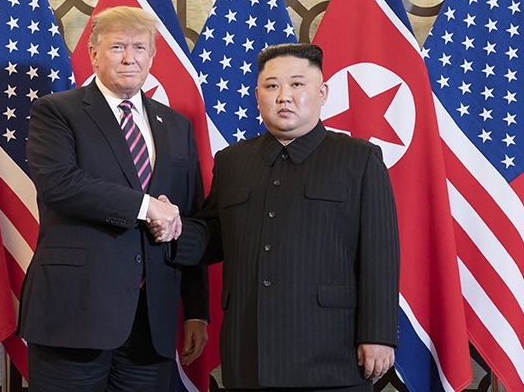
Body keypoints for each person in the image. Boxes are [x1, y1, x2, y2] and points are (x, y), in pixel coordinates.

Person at [163, 43, 399, 391]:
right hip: (249, 351)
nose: (284, 96)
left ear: (322, 93)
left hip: (332, 352)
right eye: (272, 86)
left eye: (297, 84)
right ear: (257, 96)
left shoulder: (359, 158)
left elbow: (380, 253)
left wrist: (378, 334)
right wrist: (167, 227)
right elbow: (212, 237)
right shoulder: (232, 160)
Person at [17, 6, 208, 391]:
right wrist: (147, 207)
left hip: (151, 324)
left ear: (152, 56)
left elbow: (188, 218)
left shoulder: (176, 125)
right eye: (117, 46)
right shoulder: (57, 111)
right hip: (75, 315)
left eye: (139, 48)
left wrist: (197, 311)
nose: (129, 58)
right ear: (93, 54)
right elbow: (59, 183)